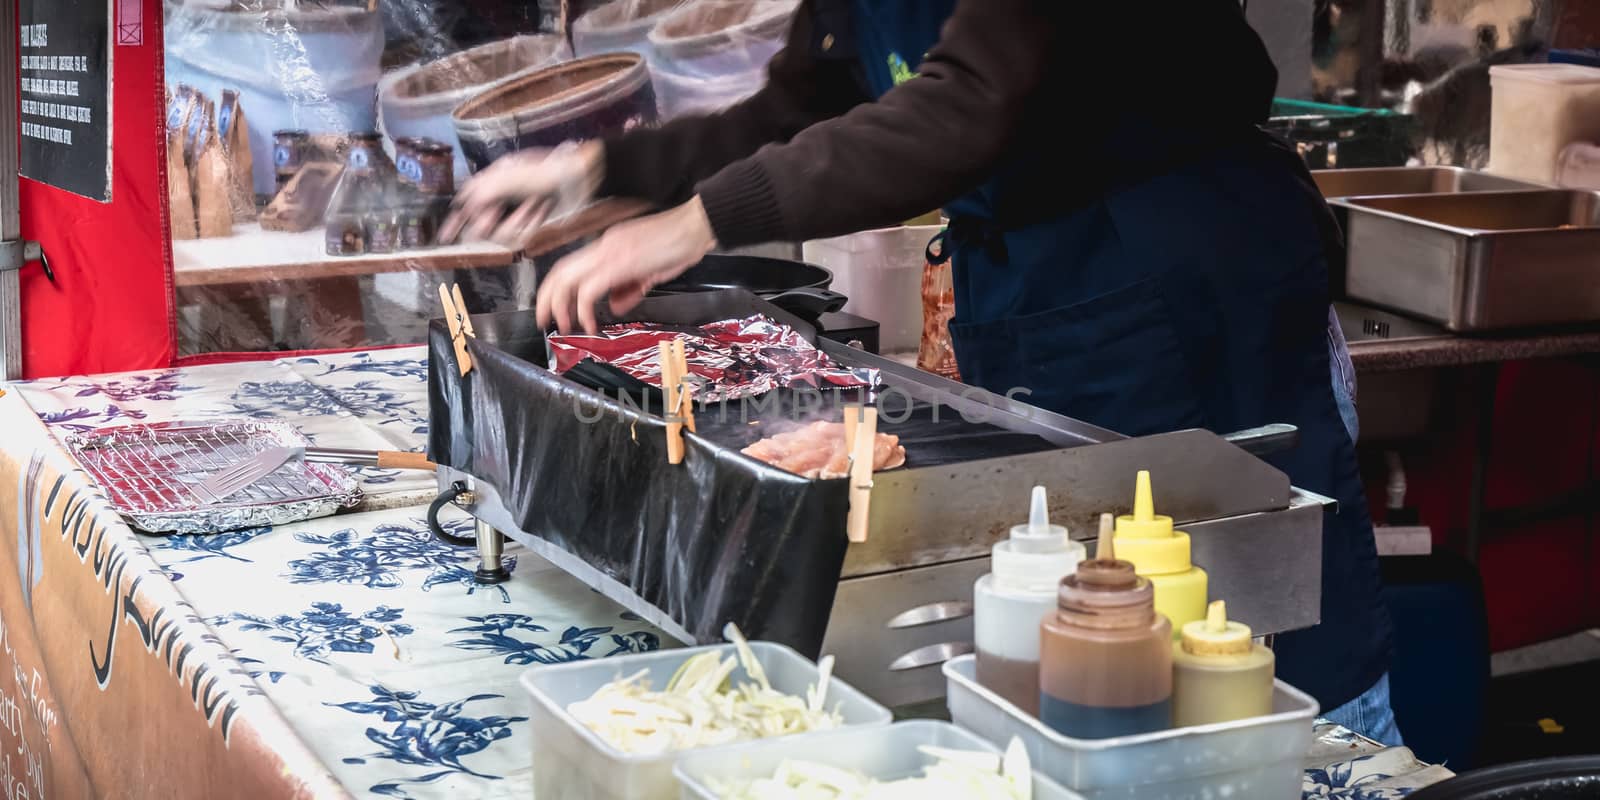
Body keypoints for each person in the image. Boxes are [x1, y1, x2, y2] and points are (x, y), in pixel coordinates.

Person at [442, 0, 1400, 745]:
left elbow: (971, 99)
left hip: (1181, 275)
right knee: (1064, 608)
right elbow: (812, 102)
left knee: (1244, 607)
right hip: (1039, 279)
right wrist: (609, 168)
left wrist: (696, 222)